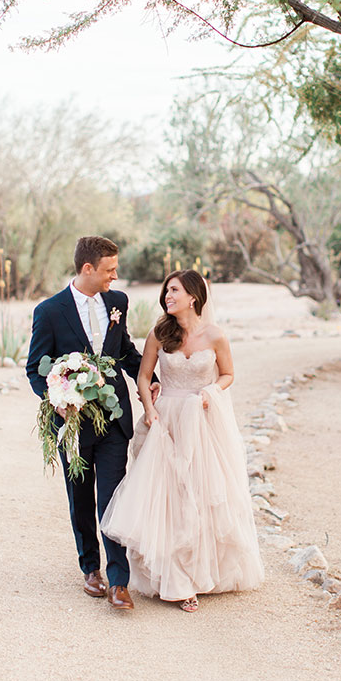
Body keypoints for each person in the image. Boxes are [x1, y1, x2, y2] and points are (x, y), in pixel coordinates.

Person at [101, 269, 264, 612]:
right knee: (168, 495)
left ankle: (200, 572)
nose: (167, 297)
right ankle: (175, 581)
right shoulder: (159, 334)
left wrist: (209, 393)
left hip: (201, 420)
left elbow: (228, 374)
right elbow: (144, 377)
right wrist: (149, 410)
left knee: (200, 494)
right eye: (166, 292)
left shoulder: (216, 336)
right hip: (165, 420)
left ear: (193, 296)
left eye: (174, 291)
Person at [25, 235, 157, 611]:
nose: (115, 277)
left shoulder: (118, 303)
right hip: (73, 423)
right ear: (88, 269)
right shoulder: (50, 311)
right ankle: (90, 569)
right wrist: (58, 400)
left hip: (113, 423)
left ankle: (119, 581)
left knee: (113, 497)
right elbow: (36, 368)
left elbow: (125, 351)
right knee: (81, 499)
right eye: (109, 270)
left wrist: (149, 378)